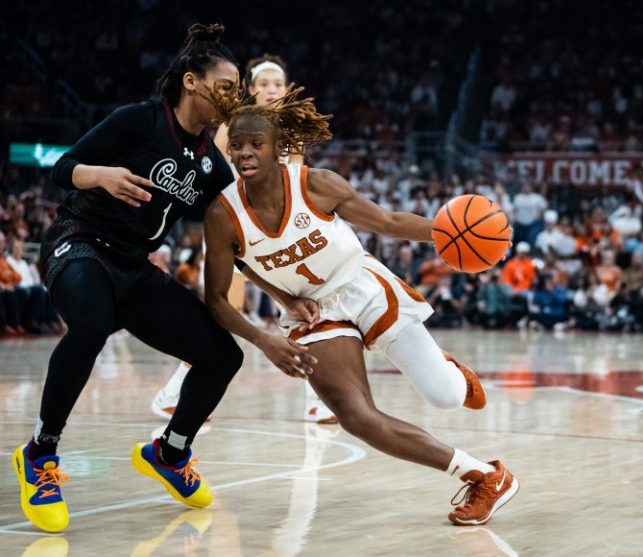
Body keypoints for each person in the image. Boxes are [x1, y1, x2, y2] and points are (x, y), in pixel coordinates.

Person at [11, 24, 303, 533]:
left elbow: (238, 246)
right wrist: (100, 175)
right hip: (79, 241)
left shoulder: (213, 166)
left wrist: (284, 297)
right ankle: (39, 454)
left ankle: (169, 453)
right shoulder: (140, 121)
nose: (233, 96)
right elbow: (62, 166)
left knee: (223, 356)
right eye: (226, 86)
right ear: (191, 81)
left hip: (134, 267)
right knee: (91, 322)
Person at [203, 89, 517, 526]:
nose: (244, 152)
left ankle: (451, 374)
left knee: (444, 396)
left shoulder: (316, 184)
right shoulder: (223, 215)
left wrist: (452, 235)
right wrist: (266, 336)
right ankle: (484, 476)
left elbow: (388, 222)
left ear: (278, 148)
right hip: (315, 315)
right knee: (356, 417)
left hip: (361, 285)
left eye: (256, 143)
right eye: (237, 145)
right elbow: (218, 295)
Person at [153, 53, 338, 424]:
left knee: (306, 310)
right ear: (251, 90)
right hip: (235, 227)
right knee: (225, 314)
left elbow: (295, 187)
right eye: (264, 84)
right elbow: (215, 176)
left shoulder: (294, 132)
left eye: (277, 84)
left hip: (277, 232)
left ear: (287, 89)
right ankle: (172, 394)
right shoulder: (232, 124)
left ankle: (317, 400)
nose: (271, 90)